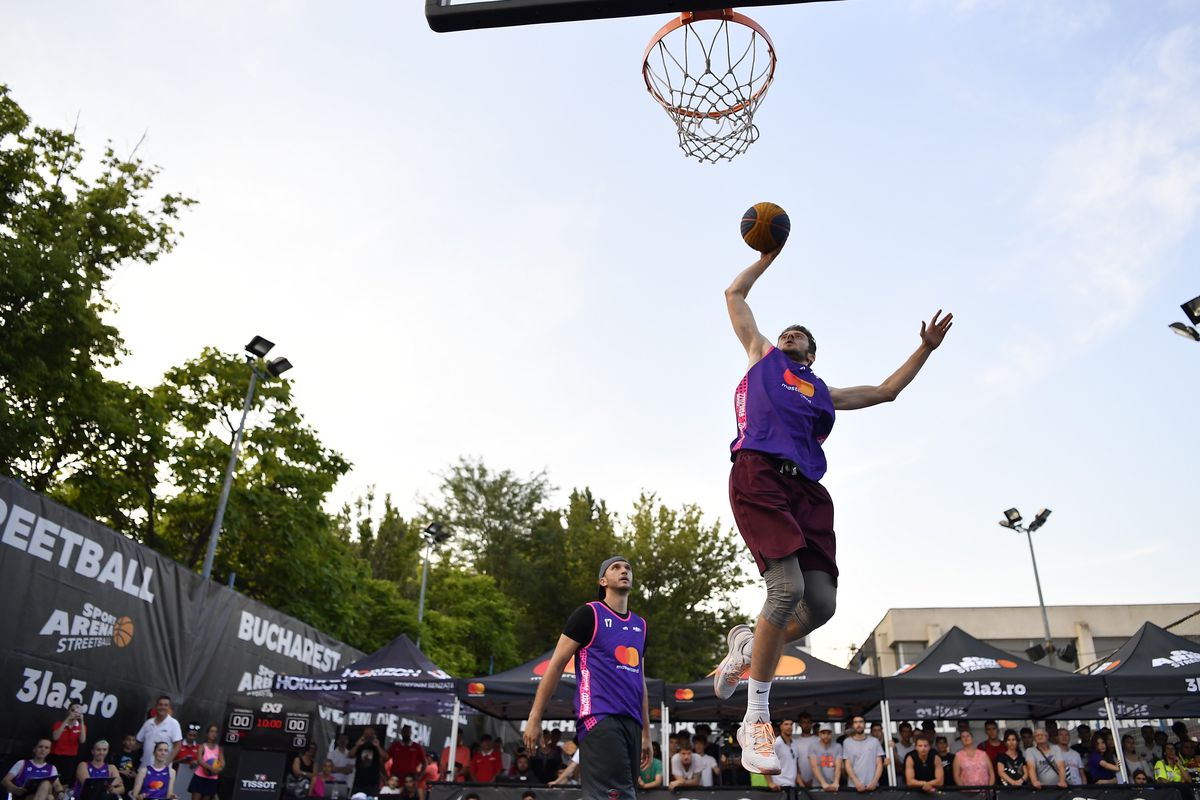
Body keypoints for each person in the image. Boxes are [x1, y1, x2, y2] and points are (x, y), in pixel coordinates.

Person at [713, 246, 954, 774]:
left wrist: (925, 350)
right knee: (787, 589)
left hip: (807, 492)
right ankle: (756, 719)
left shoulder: (823, 390)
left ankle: (748, 648)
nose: (789, 334)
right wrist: (770, 253)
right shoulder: (761, 356)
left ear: (813, 353)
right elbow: (735, 294)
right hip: (759, 472)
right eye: (786, 331)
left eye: (799, 334)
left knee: (820, 604)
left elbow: (887, 392)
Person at [523, 556, 652, 800]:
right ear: (603, 580)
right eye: (616, 568)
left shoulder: (641, 626)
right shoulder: (588, 614)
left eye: (628, 568)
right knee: (616, 795)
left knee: (623, 793)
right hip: (600, 717)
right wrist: (534, 716)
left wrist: (646, 734)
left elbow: (640, 683)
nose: (624, 571)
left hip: (632, 723)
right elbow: (556, 665)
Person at [841, 717, 884, 793]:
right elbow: (847, 765)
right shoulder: (847, 742)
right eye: (856, 722)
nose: (858, 724)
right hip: (854, 786)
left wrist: (874, 782)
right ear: (852, 725)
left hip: (873, 786)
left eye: (861, 722)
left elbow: (879, 764)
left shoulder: (874, 741)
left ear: (865, 724)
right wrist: (856, 782)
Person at [136, 698, 182, 768]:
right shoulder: (148, 723)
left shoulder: (174, 723)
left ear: (169, 708)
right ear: (156, 706)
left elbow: (178, 746)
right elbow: (139, 742)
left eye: (165, 705)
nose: (163, 707)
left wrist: (166, 763)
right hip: (144, 767)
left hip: (162, 769)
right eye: (160, 705)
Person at [51, 704, 89, 780]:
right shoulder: (59, 724)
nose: (75, 712)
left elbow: (82, 740)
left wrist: (81, 722)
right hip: (55, 756)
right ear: (68, 711)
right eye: (72, 710)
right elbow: (55, 737)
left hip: (70, 758)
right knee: (52, 779)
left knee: (65, 780)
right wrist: (67, 719)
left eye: (78, 711)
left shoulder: (82, 727)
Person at [189, 725, 223, 800]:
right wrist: (211, 768)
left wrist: (218, 769)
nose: (213, 734)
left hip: (212, 779)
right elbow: (200, 760)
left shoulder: (219, 748)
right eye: (211, 731)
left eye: (215, 732)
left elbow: (223, 763)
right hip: (199, 777)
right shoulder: (202, 746)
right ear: (207, 733)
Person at [768, 722, 798, 799]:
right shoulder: (776, 743)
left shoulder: (794, 743)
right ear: (781, 726)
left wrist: (801, 783)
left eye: (791, 724)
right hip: (779, 786)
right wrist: (770, 782)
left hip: (793, 786)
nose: (789, 727)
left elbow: (795, 765)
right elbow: (766, 763)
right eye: (786, 724)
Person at [350, 728, 385, 795]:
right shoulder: (360, 746)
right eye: (366, 734)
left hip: (373, 783)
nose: (368, 736)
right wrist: (357, 744)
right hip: (359, 782)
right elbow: (350, 755)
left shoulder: (376, 746)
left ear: (374, 735)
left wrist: (378, 746)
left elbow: (385, 757)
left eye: (371, 734)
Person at [808, 726, 842, 792]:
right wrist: (823, 783)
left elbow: (838, 766)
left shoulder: (838, 746)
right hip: (817, 785)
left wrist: (836, 782)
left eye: (828, 733)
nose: (826, 736)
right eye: (823, 733)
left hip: (833, 786)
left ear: (831, 734)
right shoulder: (813, 746)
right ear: (819, 734)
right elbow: (814, 766)